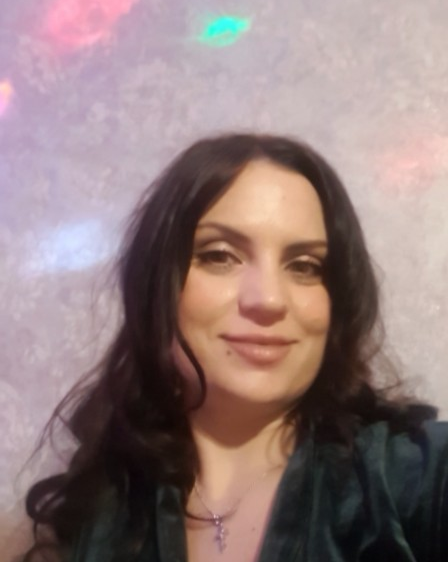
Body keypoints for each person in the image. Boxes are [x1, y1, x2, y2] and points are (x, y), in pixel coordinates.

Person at [23, 133, 447, 562]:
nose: (268, 300)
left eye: (304, 266)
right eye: (219, 256)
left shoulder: (414, 479)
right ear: (156, 284)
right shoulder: (98, 506)